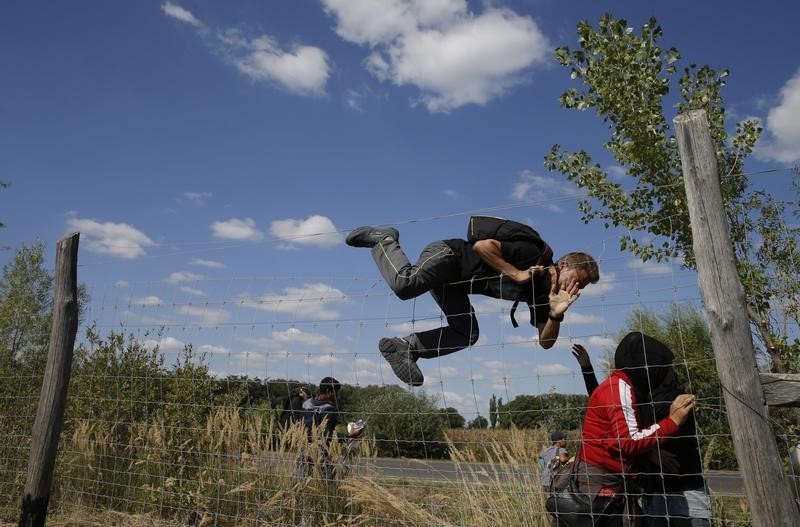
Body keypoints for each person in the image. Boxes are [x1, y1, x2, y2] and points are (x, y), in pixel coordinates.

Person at [345, 224, 599, 386]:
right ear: (563, 265)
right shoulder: (534, 254)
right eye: (578, 280)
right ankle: (385, 239)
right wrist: (517, 274)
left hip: (454, 284)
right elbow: (482, 246)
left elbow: (546, 343)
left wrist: (555, 315)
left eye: (583, 287)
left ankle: (406, 348)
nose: (577, 289)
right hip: (449, 257)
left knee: (468, 333)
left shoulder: (545, 296)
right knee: (405, 284)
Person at [571, 332, 696, 526]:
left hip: (608, 486)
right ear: (647, 367)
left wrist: (648, 451)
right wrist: (672, 421)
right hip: (599, 489)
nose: (663, 374)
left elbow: (616, 438)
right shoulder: (619, 389)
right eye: (661, 368)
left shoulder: (623, 388)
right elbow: (629, 441)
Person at [295, 377, 364, 483]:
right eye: (335, 392)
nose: (336, 395)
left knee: (301, 482)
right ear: (328, 391)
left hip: (303, 449)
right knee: (327, 483)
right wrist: (349, 436)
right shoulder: (329, 408)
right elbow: (327, 436)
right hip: (320, 453)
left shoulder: (306, 403)